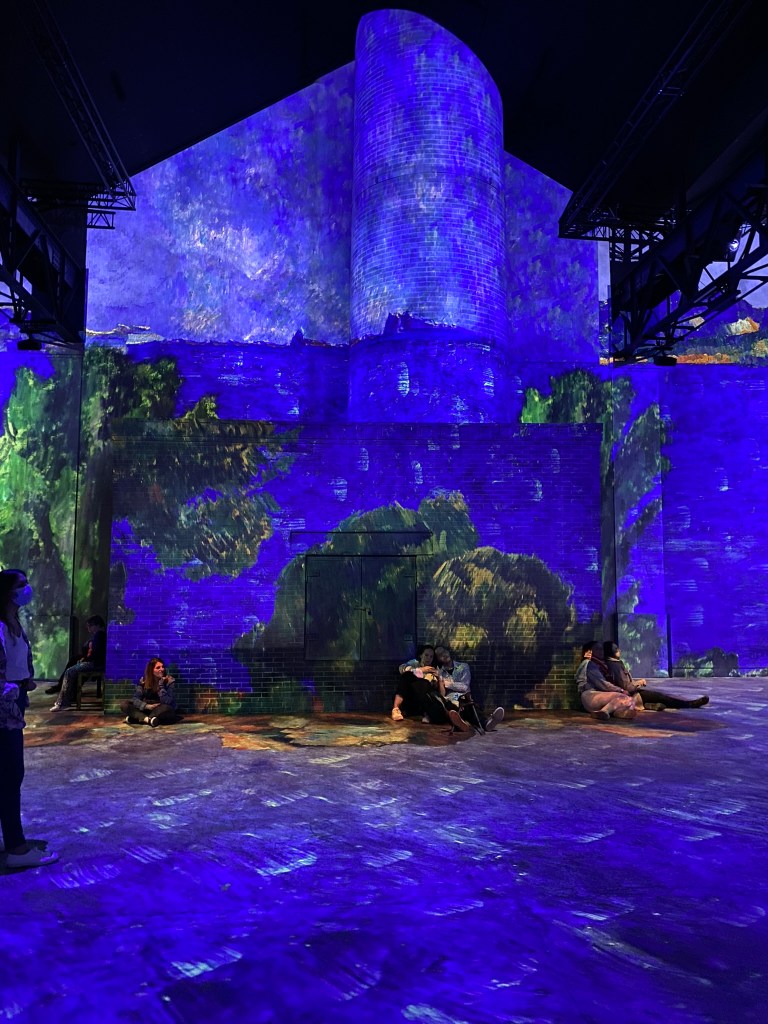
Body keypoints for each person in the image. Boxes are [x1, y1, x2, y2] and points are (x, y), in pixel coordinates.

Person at [0, 568, 59, 869]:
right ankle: (17, 848)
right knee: (11, 774)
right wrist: (9, 690)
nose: (27, 588)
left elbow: (19, 660)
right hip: (4, 706)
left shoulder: (14, 623)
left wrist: (25, 682)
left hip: (16, 699)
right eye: (21, 584)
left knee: (7, 773)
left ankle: (9, 839)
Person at [602, 642, 710, 710]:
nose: (619, 650)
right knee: (662, 697)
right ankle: (689, 704)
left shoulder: (613, 663)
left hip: (632, 692)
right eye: (616, 649)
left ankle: (650, 705)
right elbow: (626, 687)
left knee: (658, 697)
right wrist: (639, 683)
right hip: (631, 694)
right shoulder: (615, 666)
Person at [434, 646, 505, 734]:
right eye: (440, 654)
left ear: (448, 651)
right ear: (438, 659)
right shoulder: (440, 672)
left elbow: (464, 687)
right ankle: (460, 724)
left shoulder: (463, 666)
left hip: (464, 698)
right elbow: (443, 694)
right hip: (451, 701)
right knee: (451, 710)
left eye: (444, 651)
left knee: (470, 708)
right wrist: (440, 680)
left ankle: (487, 723)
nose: (444, 655)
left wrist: (447, 683)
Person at [49, 616, 107, 710]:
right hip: (95, 662)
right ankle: (67, 698)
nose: (89, 629)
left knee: (70, 672)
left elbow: (97, 653)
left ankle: (62, 702)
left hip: (96, 664)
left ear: (97, 625)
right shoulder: (99, 635)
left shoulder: (100, 635)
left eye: (90, 626)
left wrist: (86, 659)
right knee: (72, 667)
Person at [576, 641, 637, 721]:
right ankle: (604, 711)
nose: (601, 651)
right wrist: (621, 690)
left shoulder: (600, 664)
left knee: (630, 701)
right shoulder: (589, 664)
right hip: (590, 695)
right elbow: (602, 684)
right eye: (597, 649)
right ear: (589, 651)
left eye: (602, 649)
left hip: (599, 694)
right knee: (625, 698)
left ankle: (617, 712)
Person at [120, 658, 177, 726]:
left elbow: (168, 701)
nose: (162, 669)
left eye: (162, 667)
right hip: (147, 708)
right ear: (151, 670)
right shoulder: (143, 681)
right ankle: (148, 720)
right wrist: (147, 706)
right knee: (124, 704)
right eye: (158, 667)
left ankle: (139, 718)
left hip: (160, 708)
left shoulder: (169, 681)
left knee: (167, 708)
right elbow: (135, 699)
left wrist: (161, 686)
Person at [392, 645, 442, 721]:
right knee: (407, 675)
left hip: (424, 702)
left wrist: (438, 679)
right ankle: (396, 709)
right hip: (410, 699)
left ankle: (427, 713)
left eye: (431, 657)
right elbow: (401, 669)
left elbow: (437, 691)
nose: (428, 658)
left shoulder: (434, 669)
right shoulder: (414, 663)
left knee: (425, 683)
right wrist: (421, 670)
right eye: (426, 655)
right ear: (421, 655)